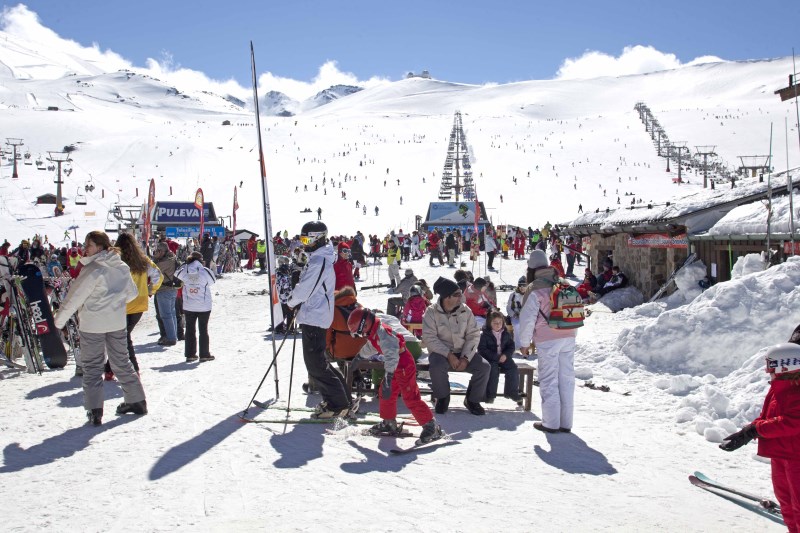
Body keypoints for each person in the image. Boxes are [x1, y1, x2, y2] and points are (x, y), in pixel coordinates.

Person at [53, 231, 146, 426]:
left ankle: (95, 411)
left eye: (89, 245)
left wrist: (57, 323)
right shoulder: (121, 266)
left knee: (93, 367)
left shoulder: (93, 269)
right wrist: (114, 303)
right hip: (117, 323)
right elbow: (132, 293)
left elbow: (73, 298)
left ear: (101, 247)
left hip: (93, 324)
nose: (84, 249)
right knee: (121, 361)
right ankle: (137, 401)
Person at [719, 341, 800, 532]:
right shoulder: (778, 388)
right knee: (786, 503)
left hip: (797, 458)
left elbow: (792, 422)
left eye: (770, 365)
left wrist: (756, 429)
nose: (766, 370)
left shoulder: (796, 391)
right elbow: (769, 417)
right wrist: (748, 430)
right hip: (781, 455)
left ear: (784, 366)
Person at [348, 307, 444, 442]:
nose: (361, 335)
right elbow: (372, 346)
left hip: (403, 364)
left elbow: (392, 356)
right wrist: (359, 357)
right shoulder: (374, 331)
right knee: (385, 392)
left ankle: (430, 426)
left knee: (410, 396)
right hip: (394, 366)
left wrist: (388, 378)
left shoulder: (383, 333)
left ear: (365, 325)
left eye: (360, 332)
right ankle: (389, 422)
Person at [287, 221, 351, 418]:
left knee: (315, 365)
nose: (304, 243)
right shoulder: (319, 258)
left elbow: (305, 289)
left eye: (307, 239)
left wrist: (291, 301)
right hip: (313, 314)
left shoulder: (319, 261)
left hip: (315, 317)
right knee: (318, 363)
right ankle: (343, 401)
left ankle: (338, 405)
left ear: (317, 238)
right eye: (302, 239)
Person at [518, 249, 578, 433]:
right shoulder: (563, 282)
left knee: (549, 379)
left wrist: (524, 343)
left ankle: (551, 423)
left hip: (547, 339)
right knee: (566, 379)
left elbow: (527, 319)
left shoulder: (535, 288)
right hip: (568, 335)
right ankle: (565, 423)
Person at [422, 276, 489, 415]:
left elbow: (473, 334)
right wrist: (448, 354)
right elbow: (430, 338)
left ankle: (472, 400)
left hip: (463, 350)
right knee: (437, 366)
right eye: (457, 295)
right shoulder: (431, 312)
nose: (461, 297)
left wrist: (465, 357)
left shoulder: (465, 311)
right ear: (447, 297)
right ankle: (442, 397)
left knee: (484, 367)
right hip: (441, 353)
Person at [103, 232, 163, 380]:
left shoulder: (115, 261)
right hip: (139, 303)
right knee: (122, 336)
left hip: (120, 304)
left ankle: (132, 368)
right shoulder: (143, 261)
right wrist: (151, 290)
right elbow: (158, 276)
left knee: (122, 337)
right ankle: (111, 368)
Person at [175, 251, 216, 362]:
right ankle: (204, 354)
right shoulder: (205, 271)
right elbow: (213, 281)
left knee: (189, 329)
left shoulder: (185, 270)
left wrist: (186, 264)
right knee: (203, 329)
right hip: (204, 305)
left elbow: (176, 273)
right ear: (200, 260)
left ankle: (190, 354)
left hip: (189, 305)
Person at [478, 311, 521, 405]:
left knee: (513, 368)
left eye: (500, 323)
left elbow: (511, 346)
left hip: (504, 357)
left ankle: (511, 392)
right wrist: (496, 357)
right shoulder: (484, 335)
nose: (498, 325)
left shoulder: (506, 333)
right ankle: (490, 395)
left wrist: (506, 355)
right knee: (493, 371)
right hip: (491, 358)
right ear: (490, 323)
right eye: (495, 323)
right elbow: (482, 349)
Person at [153, 242, 180, 346]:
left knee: (166, 315)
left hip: (164, 289)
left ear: (162, 251)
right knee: (172, 313)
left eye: (158, 251)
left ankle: (171, 338)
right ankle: (173, 335)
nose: (156, 252)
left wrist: (155, 258)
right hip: (173, 289)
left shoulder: (164, 262)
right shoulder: (172, 257)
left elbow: (153, 268)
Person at [506, 276, 528, 349]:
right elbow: (508, 307)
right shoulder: (513, 295)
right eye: (520, 285)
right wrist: (513, 314)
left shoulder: (530, 295)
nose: (522, 287)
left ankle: (526, 345)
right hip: (516, 315)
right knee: (517, 325)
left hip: (527, 316)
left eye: (524, 285)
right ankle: (518, 346)